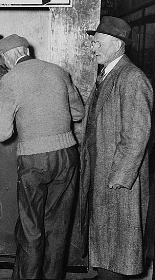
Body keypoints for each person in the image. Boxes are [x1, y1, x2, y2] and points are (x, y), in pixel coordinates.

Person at [0, 34, 85, 279]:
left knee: (31, 228)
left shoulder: (11, 79)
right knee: (57, 227)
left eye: (3, 60)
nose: (5, 65)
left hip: (34, 160)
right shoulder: (58, 71)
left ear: (9, 56)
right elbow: (78, 112)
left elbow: (2, 134)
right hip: (67, 155)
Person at [81, 16, 154, 280]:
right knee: (106, 231)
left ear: (116, 44)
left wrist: (120, 178)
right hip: (104, 171)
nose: (93, 48)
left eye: (97, 43)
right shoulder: (108, 74)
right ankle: (106, 272)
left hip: (119, 178)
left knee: (120, 235)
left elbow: (136, 134)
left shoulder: (132, 77)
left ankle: (112, 275)